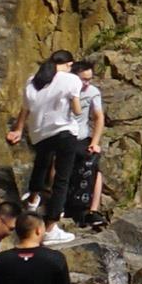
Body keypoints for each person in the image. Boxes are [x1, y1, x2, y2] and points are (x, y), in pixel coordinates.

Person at [19, 54, 102, 219]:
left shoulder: (36, 81)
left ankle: (89, 210)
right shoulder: (69, 81)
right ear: (70, 66)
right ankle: (53, 217)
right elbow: (77, 110)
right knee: (59, 175)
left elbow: (28, 107)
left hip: (44, 133)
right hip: (65, 132)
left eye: (89, 79)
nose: (86, 83)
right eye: (84, 79)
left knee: (43, 165)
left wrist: (95, 141)